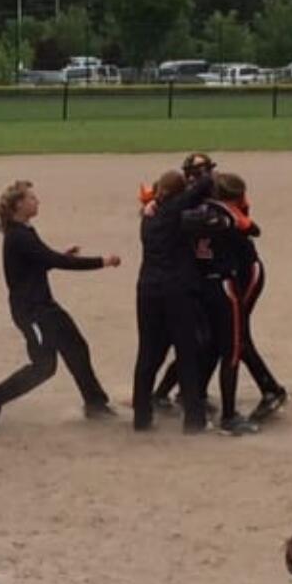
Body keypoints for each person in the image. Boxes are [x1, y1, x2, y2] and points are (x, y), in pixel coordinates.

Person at [0, 180, 121, 428]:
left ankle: (95, 402)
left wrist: (60, 256)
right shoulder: (19, 236)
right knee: (44, 366)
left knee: (76, 346)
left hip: (44, 307)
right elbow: (51, 260)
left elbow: (42, 260)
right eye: (32, 198)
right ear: (19, 205)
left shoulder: (24, 231)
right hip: (31, 312)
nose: (37, 201)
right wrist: (102, 261)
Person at [181, 173, 263, 436]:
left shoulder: (189, 212)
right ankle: (229, 415)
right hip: (224, 287)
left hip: (199, 286)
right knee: (232, 351)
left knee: (206, 346)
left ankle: (196, 403)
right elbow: (252, 229)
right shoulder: (227, 215)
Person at [132, 169, 207, 433]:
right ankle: (194, 419)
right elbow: (204, 187)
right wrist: (201, 174)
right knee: (187, 352)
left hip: (148, 289)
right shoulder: (173, 211)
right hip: (176, 290)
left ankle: (141, 415)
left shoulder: (148, 216)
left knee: (147, 354)